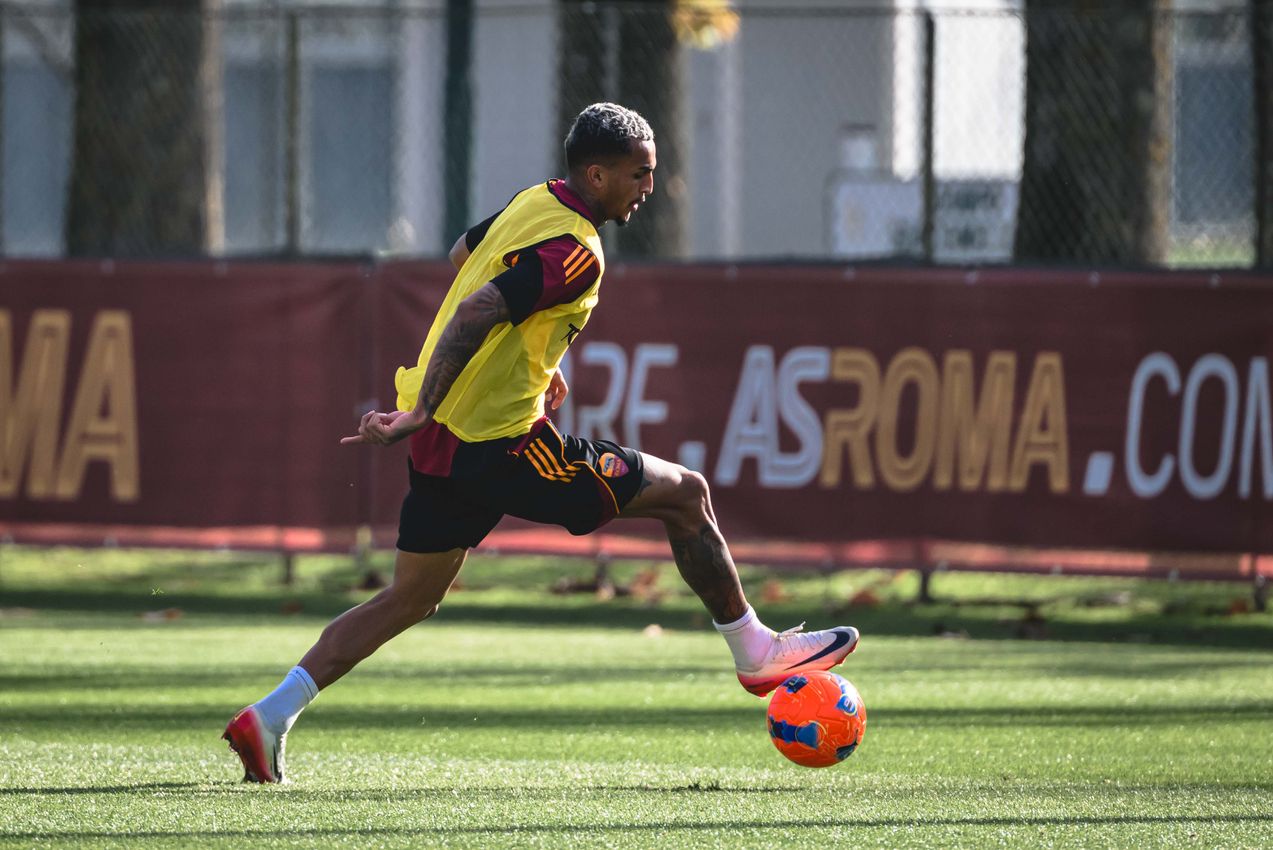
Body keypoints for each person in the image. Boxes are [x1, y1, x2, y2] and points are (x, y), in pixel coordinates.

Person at [223, 102, 858, 783]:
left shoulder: (536, 201)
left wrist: (526, 358)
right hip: (502, 446)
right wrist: (422, 407)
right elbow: (479, 305)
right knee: (686, 495)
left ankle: (270, 715)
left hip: (445, 443)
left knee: (409, 598)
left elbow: (465, 255)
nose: (649, 187)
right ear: (597, 175)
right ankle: (754, 651)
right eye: (638, 174)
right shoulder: (577, 251)